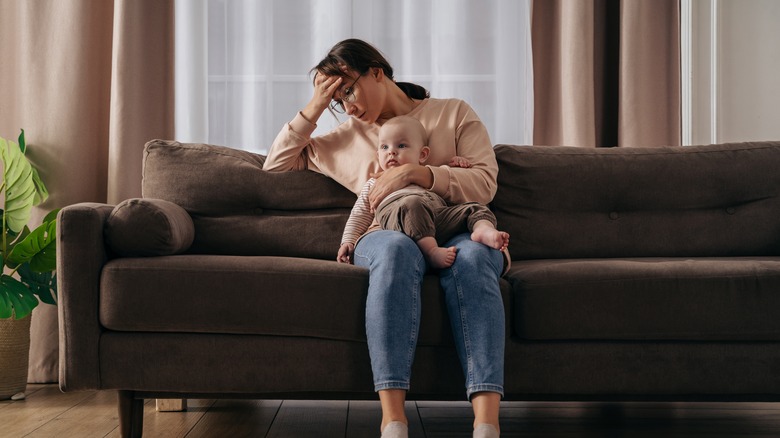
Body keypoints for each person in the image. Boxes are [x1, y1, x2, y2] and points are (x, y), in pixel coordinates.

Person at [264, 38, 505, 438]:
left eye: (348, 90)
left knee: (475, 258)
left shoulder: (453, 112)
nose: (348, 104)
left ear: (377, 71)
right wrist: (316, 106)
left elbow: (484, 182)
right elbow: (275, 165)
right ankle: (393, 420)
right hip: (386, 231)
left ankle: (486, 424)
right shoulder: (344, 138)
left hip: (457, 226)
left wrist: (416, 174)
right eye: (338, 98)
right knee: (395, 249)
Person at [337, 115, 509, 269]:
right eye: (384, 147)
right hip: (400, 219)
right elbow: (359, 214)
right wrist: (348, 241)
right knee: (412, 203)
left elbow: (451, 186)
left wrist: (458, 165)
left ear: (422, 154)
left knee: (475, 208)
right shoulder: (375, 181)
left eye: (401, 145)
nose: (391, 151)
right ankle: (431, 252)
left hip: (435, 219)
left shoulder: (429, 172)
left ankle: (482, 230)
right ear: (378, 155)